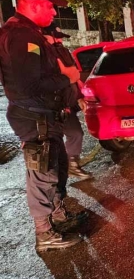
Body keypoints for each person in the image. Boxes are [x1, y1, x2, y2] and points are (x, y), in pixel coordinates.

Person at [0, 0, 85, 251]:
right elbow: (30, 85)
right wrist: (67, 77)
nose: (53, 12)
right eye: (50, 6)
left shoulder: (30, 32)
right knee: (43, 175)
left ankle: (58, 216)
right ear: (34, 5)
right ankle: (44, 233)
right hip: (34, 117)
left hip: (46, 116)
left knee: (57, 170)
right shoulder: (22, 36)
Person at [42, 23, 93, 179]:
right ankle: (65, 168)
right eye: (56, 38)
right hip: (52, 107)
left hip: (66, 102)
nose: (60, 41)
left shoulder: (61, 52)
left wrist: (80, 97)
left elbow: (74, 77)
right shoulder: (42, 55)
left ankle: (70, 164)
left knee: (75, 133)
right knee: (69, 135)